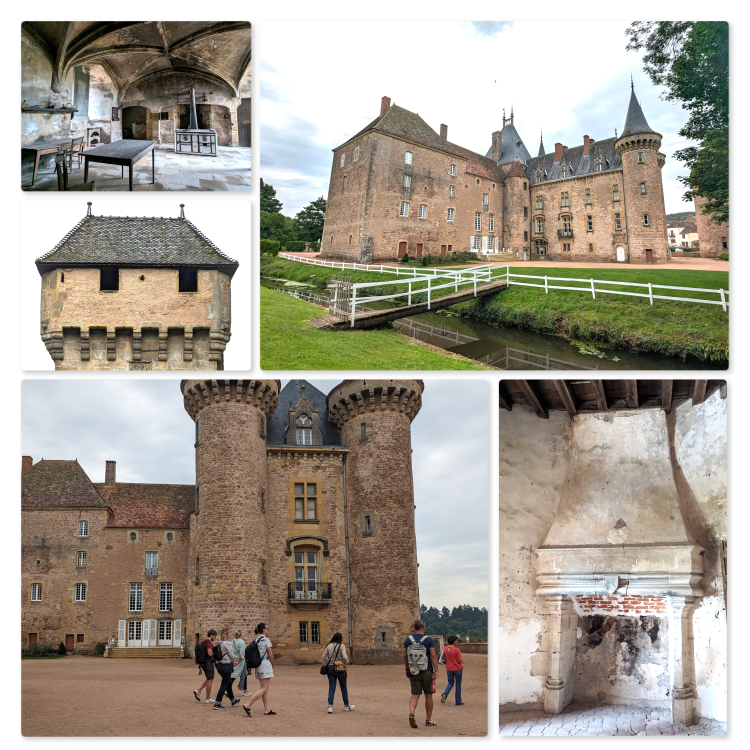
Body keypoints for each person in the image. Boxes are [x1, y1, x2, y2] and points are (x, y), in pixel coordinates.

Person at [404, 619, 439, 729]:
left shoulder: (408, 639)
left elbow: (405, 656)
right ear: (424, 627)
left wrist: (407, 669)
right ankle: (428, 720)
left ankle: (412, 713)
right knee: (428, 695)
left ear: (414, 628)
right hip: (427, 671)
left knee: (415, 695)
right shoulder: (429, 640)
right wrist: (436, 670)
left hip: (414, 671)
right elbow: (433, 655)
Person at [242, 623, 276, 717]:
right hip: (265, 664)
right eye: (267, 628)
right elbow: (270, 654)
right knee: (264, 688)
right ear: (263, 630)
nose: (268, 630)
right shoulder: (266, 640)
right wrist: (273, 663)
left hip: (258, 665)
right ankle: (248, 704)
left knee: (265, 688)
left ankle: (267, 709)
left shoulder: (256, 639)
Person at [322, 632, 355, 714]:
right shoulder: (342, 646)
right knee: (343, 687)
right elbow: (345, 657)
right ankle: (346, 705)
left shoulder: (329, 646)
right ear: (340, 639)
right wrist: (343, 663)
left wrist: (329, 663)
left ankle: (330, 706)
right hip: (339, 667)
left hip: (330, 667)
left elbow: (324, 657)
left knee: (332, 687)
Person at [213, 627, 241, 710]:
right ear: (226, 635)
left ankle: (233, 700)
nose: (230, 634)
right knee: (224, 684)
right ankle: (217, 703)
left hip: (219, 666)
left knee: (228, 683)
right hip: (226, 666)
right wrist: (234, 663)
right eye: (229, 633)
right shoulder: (227, 643)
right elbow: (231, 655)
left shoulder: (219, 643)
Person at [193, 629, 217, 704]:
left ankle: (198, 690)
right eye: (215, 636)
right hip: (208, 662)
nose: (215, 638)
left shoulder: (203, 641)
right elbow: (210, 653)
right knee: (210, 680)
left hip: (203, 663)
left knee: (208, 678)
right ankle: (208, 698)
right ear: (212, 635)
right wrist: (216, 654)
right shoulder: (209, 643)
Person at [440, 635, 464, 706]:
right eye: (456, 640)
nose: (457, 641)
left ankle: (445, 694)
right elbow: (459, 660)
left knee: (450, 683)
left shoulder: (445, 648)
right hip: (457, 668)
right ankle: (458, 701)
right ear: (454, 641)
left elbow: (442, 658)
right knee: (458, 684)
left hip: (449, 668)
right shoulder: (457, 650)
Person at [232, 629, 252, 698]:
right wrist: (238, 661)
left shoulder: (232, 641)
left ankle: (227, 688)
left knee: (233, 674)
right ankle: (245, 690)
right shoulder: (242, 642)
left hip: (234, 659)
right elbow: (242, 653)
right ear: (240, 635)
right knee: (243, 675)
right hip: (241, 661)